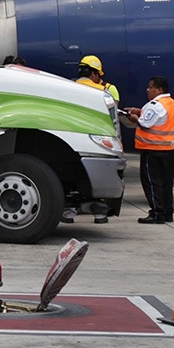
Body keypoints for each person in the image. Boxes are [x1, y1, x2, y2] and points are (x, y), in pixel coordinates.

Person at [62, 54, 117, 224]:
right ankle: (100, 213)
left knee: (70, 179)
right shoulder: (104, 92)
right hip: (98, 141)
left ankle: (69, 211)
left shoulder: (67, 88)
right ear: (94, 74)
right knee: (95, 179)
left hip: (71, 141)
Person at [123, 76, 174, 224]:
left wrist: (134, 118)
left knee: (152, 183)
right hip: (169, 150)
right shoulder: (171, 104)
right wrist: (140, 111)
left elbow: (145, 123)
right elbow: (159, 118)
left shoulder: (155, 104)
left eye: (150, 87)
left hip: (152, 151)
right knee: (167, 183)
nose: (147, 90)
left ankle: (156, 213)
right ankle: (167, 213)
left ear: (159, 89)